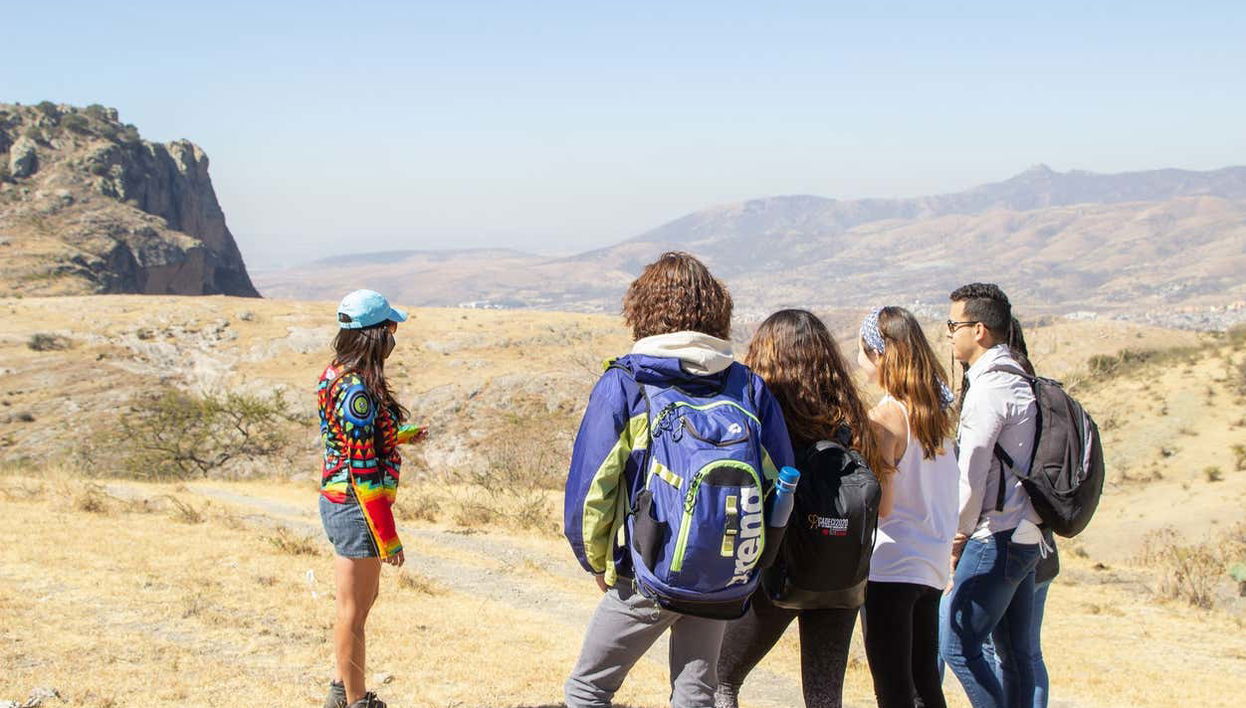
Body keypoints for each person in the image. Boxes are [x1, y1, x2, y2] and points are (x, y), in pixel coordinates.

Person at [563, 252, 794, 708]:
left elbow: (593, 485)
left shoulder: (629, 382)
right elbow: (780, 478)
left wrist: (596, 561)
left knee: (588, 689)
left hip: (647, 568)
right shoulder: (745, 385)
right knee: (695, 693)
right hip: (725, 570)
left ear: (643, 310)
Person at [714, 309, 890, 708]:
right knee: (825, 696)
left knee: (720, 681)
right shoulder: (852, 419)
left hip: (778, 570)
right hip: (842, 574)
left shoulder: (766, 412)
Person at [940, 283, 1044, 708]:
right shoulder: (1021, 376)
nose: (948, 334)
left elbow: (971, 477)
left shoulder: (988, 390)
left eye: (953, 324)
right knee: (1017, 655)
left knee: (957, 647)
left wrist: (957, 538)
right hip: (1026, 532)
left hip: (993, 536)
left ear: (978, 330)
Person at [318, 289, 422, 708]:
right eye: (391, 327)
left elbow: (347, 443)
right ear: (375, 335)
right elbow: (362, 471)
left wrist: (398, 437)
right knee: (353, 613)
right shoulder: (357, 391)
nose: (395, 335)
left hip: (340, 499)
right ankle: (356, 701)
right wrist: (387, 536)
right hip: (356, 507)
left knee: (357, 606)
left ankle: (341, 689)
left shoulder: (334, 374)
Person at [857, 307, 959, 708]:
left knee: (894, 688)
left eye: (862, 352)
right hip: (930, 563)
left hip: (891, 564)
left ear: (880, 355)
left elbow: (881, 507)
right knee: (924, 683)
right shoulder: (936, 412)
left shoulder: (886, 417)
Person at [980, 317, 1058, 708]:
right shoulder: (1036, 395)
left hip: (1003, 541)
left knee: (989, 650)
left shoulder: (996, 393)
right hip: (1040, 544)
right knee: (1028, 653)